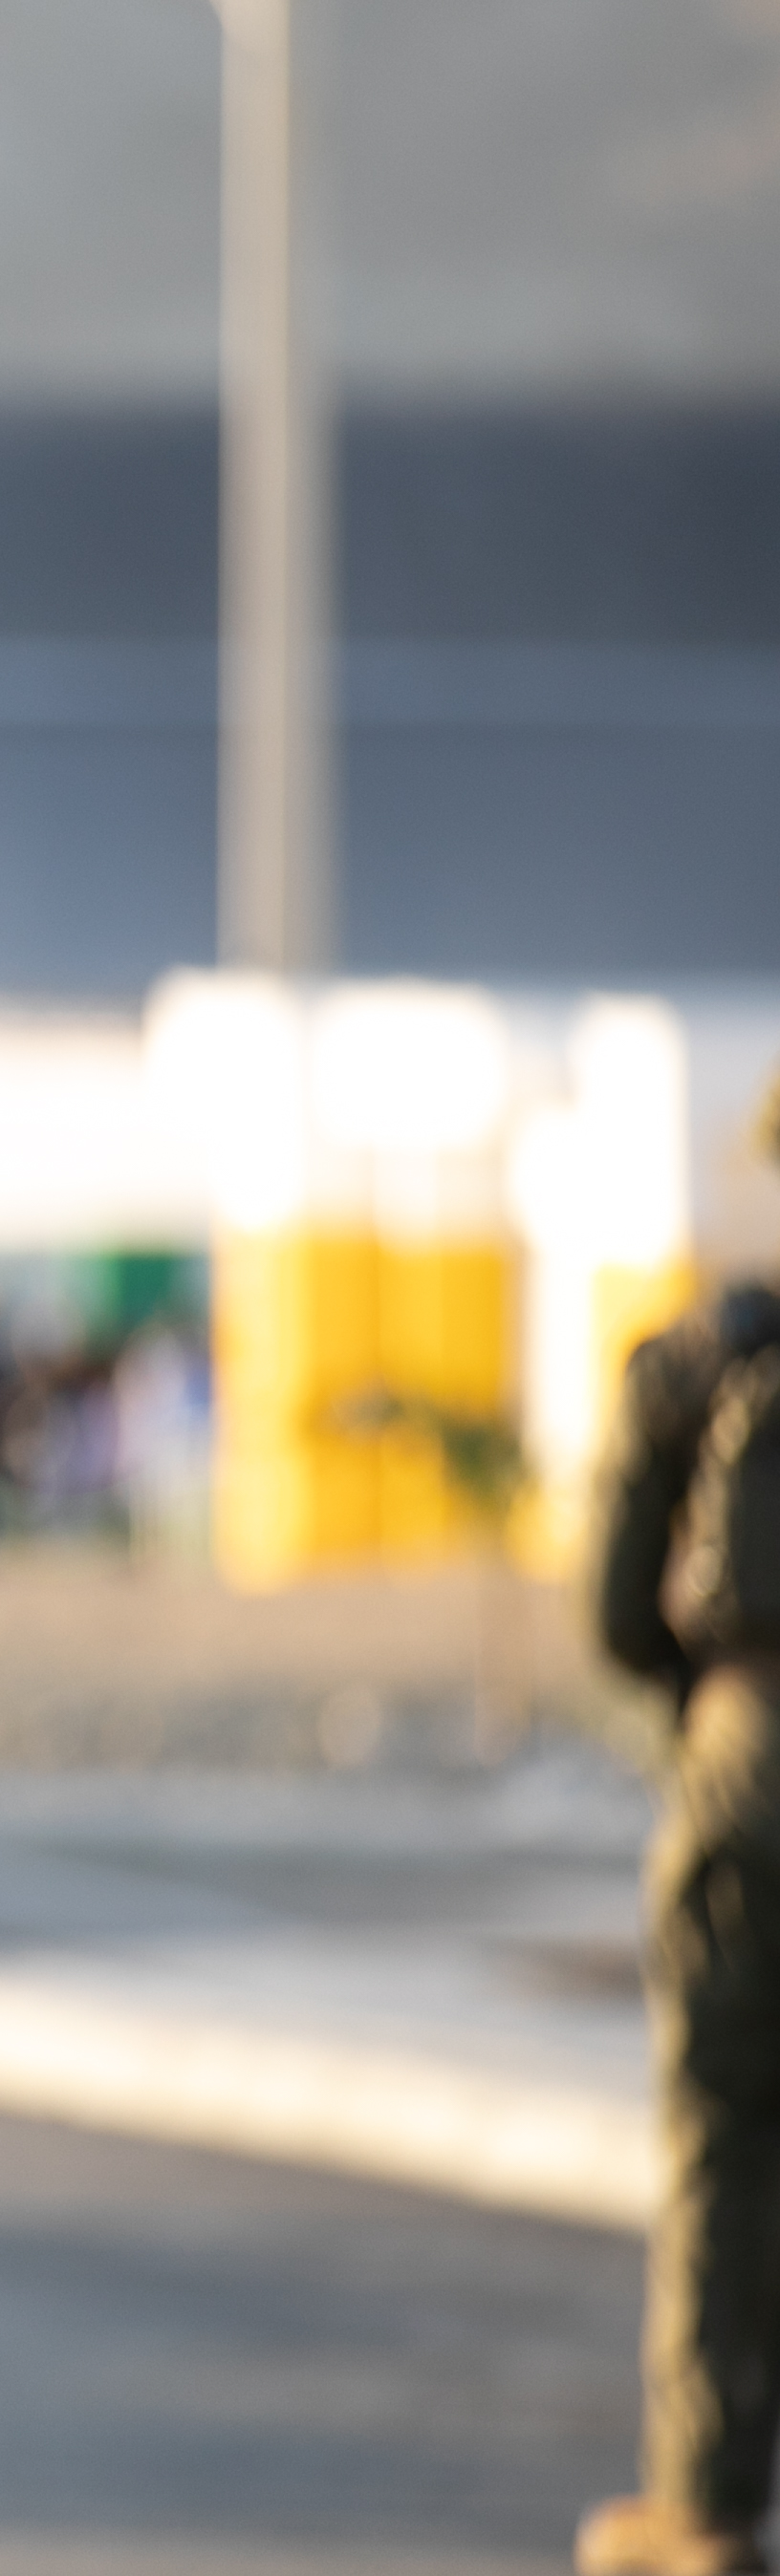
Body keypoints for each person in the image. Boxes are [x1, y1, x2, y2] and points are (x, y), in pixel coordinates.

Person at [586, 1082, 780, 2576]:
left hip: (749, 1756)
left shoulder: (714, 1356)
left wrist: (701, 1711)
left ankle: (704, 2504)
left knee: (723, 2130)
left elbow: (615, 1611)